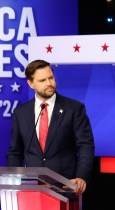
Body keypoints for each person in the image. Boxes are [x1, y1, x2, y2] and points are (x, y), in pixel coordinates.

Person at [7, 59, 95, 195]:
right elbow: (15, 152)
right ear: (30, 84)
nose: (49, 83)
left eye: (51, 78)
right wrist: (14, 179)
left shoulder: (74, 108)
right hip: (31, 188)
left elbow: (85, 145)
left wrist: (81, 177)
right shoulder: (20, 113)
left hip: (66, 187)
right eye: (42, 80)